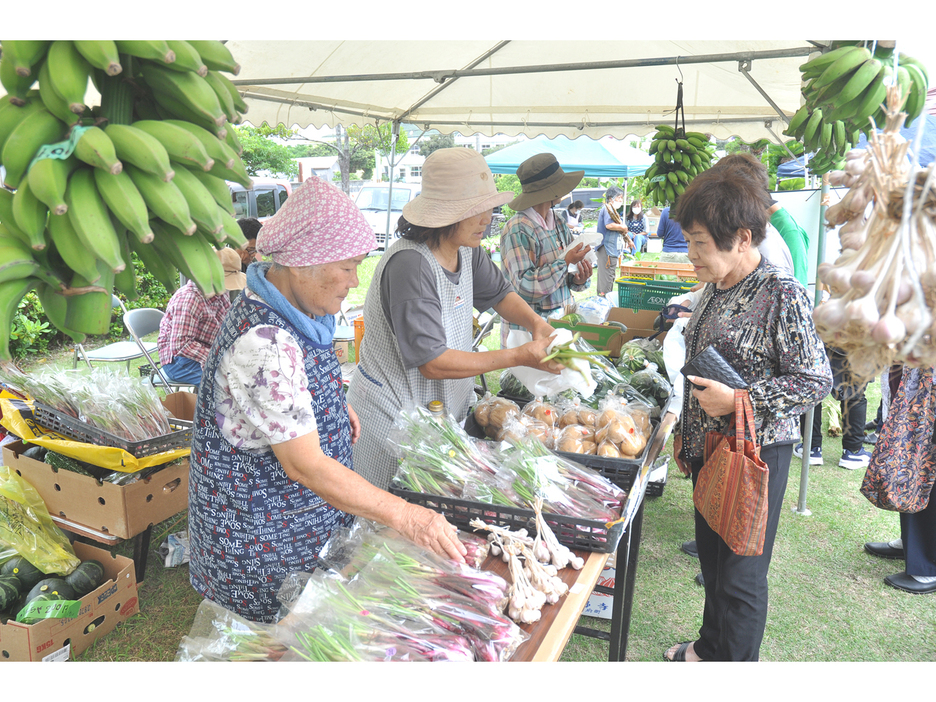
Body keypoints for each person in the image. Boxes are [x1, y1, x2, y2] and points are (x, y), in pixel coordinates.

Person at [187, 177, 468, 623]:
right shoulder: (264, 341)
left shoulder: (291, 305)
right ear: (302, 264)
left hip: (301, 529)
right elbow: (305, 465)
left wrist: (330, 401)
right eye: (348, 266)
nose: (354, 282)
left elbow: (286, 386)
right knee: (280, 655)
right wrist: (407, 515)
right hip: (264, 546)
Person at [663, 167, 831, 662]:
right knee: (715, 562)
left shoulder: (780, 292)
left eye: (698, 242)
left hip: (754, 452)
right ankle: (710, 647)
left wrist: (742, 402)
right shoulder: (717, 285)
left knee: (740, 575)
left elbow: (815, 379)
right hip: (711, 448)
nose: (690, 254)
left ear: (741, 237)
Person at [347, 148, 566, 490]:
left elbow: (501, 294)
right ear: (446, 213)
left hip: (435, 415)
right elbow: (432, 362)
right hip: (390, 417)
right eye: (478, 209)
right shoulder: (410, 265)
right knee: (388, 518)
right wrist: (518, 356)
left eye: (489, 207)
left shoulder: (467, 249)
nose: (488, 218)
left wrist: (536, 323)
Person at [499, 152, 594, 342]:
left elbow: (566, 277)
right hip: (528, 333)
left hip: (560, 326)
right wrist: (565, 263)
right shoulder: (518, 229)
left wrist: (578, 278)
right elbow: (526, 287)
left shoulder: (558, 222)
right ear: (551, 191)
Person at [861, 365, 936, 594]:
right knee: (912, 464)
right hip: (921, 373)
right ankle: (913, 544)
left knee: (927, 466)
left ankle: (928, 565)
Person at [155, 248, 243, 387]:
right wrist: (219, 358)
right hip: (179, 361)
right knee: (230, 384)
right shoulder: (190, 299)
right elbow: (181, 345)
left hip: (208, 349)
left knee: (247, 371)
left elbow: (228, 321)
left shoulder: (219, 290)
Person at [595, 186, 630, 297]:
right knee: (606, 280)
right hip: (606, 250)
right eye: (619, 198)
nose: (620, 200)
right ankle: (603, 300)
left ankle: (603, 298)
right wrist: (623, 227)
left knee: (607, 279)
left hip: (610, 250)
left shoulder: (611, 210)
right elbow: (609, 225)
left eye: (621, 198)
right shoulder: (607, 209)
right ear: (611, 198)